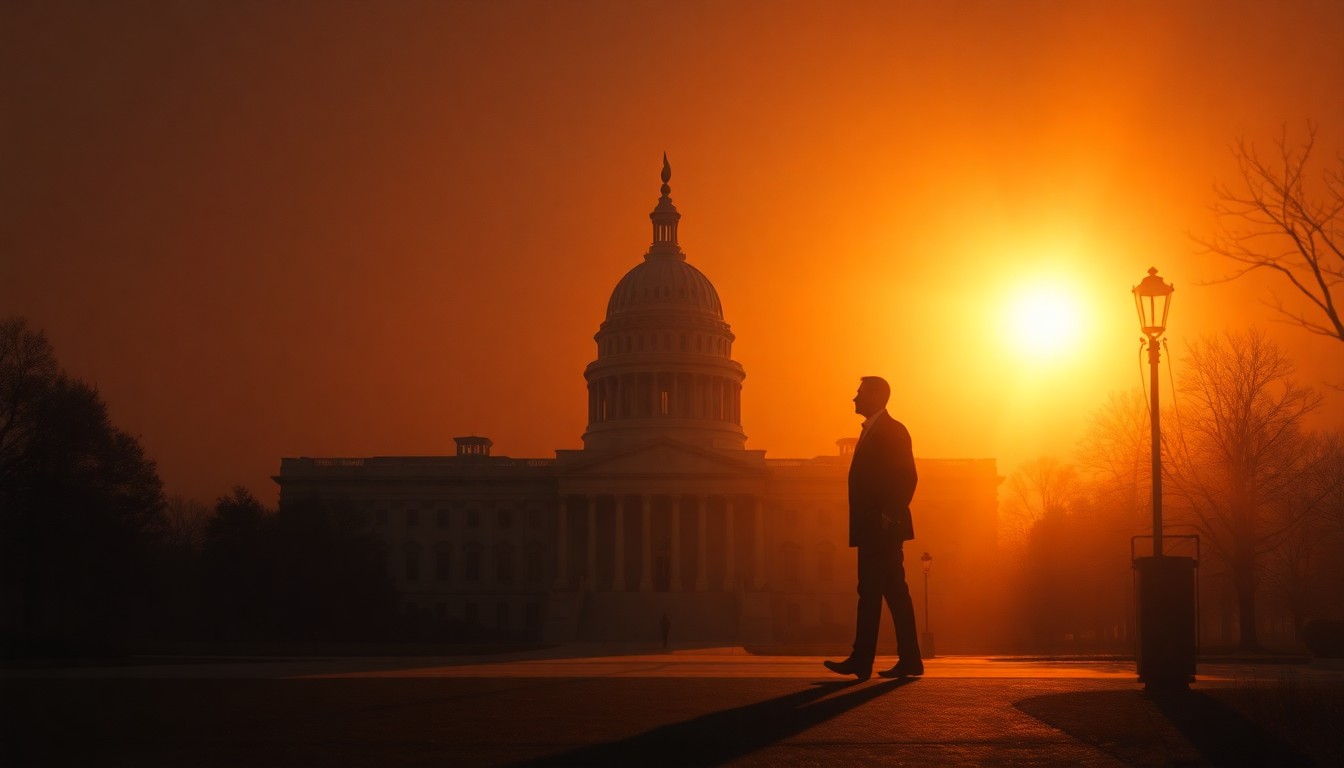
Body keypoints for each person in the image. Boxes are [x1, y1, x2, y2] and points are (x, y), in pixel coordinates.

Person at [824, 376, 923, 681]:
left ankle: (863, 659)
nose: (854, 398)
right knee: (894, 594)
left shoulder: (892, 430)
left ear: (877, 396)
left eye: (860, 393)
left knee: (870, 593)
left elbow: (907, 476)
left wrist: (888, 516)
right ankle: (908, 659)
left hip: (881, 528)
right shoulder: (874, 431)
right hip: (874, 527)